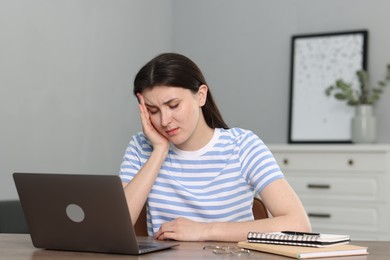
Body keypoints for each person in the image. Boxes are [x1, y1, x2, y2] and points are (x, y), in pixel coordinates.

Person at [120, 53, 311, 242]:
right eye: (153, 111)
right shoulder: (141, 147)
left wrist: (205, 231)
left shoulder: (243, 145)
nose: (164, 120)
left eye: (174, 105)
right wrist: (159, 151)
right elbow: (117, 227)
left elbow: (299, 224)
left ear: (201, 96)